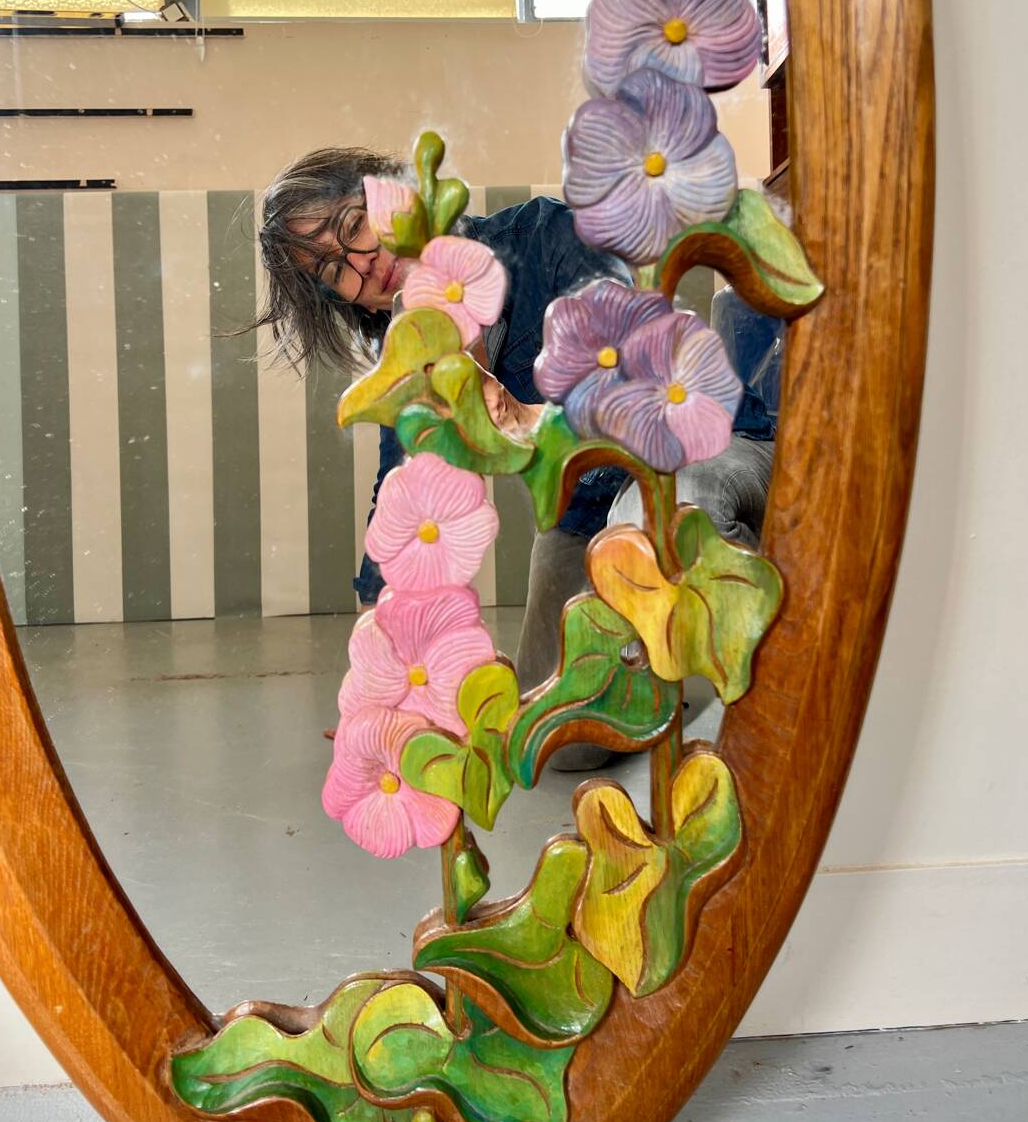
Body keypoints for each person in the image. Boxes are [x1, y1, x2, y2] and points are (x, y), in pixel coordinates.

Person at [255, 146, 780, 715]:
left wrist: (523, 412)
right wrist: (377, 676)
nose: (363, 265)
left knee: (668, 520)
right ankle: (662, 671)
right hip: (584, 513)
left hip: (704, 450)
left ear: (393, 195)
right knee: (555, 724)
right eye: (334, 272)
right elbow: (402, 503)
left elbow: (641, 378)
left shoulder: (545, 235)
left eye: (355, 225)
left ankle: (767, 701)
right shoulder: (413, 351)